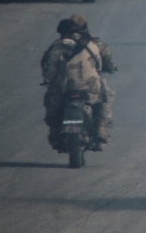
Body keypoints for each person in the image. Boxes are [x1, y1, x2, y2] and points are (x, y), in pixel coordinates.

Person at [40, 14, 117, 150]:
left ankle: (55, 134)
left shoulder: (56, 47)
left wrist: (51, 79)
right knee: (107, 97)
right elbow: (106, 61)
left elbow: (49, 72)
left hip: (63, 89)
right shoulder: (94, 44)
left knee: (51, 107)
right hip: (91, 87)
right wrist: (110, 68)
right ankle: (101, 129)